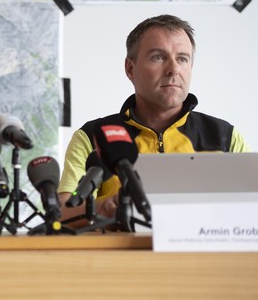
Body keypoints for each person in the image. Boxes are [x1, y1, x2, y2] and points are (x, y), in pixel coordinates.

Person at [57, 14, 251, 226]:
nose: (173, 69)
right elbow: (63, 215)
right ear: (130, 69)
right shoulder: (92, 136)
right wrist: (106, 206)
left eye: (182, 59)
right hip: (119, 258)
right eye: (159, 57)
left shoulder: (226, 137)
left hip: (205, 258)